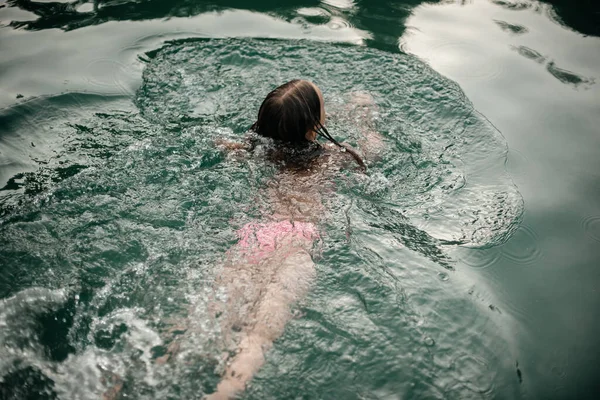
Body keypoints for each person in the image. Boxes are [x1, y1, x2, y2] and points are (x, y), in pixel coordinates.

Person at [206, 79, 383, 399]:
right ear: (315, 126)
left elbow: (220, 143)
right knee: (258, 336)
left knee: (201, 323)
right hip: (296, 245)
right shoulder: (333, 157)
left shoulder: (254, 148)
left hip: (254, 238)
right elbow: (372, 154)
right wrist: (364, 115)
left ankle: (123, 380)